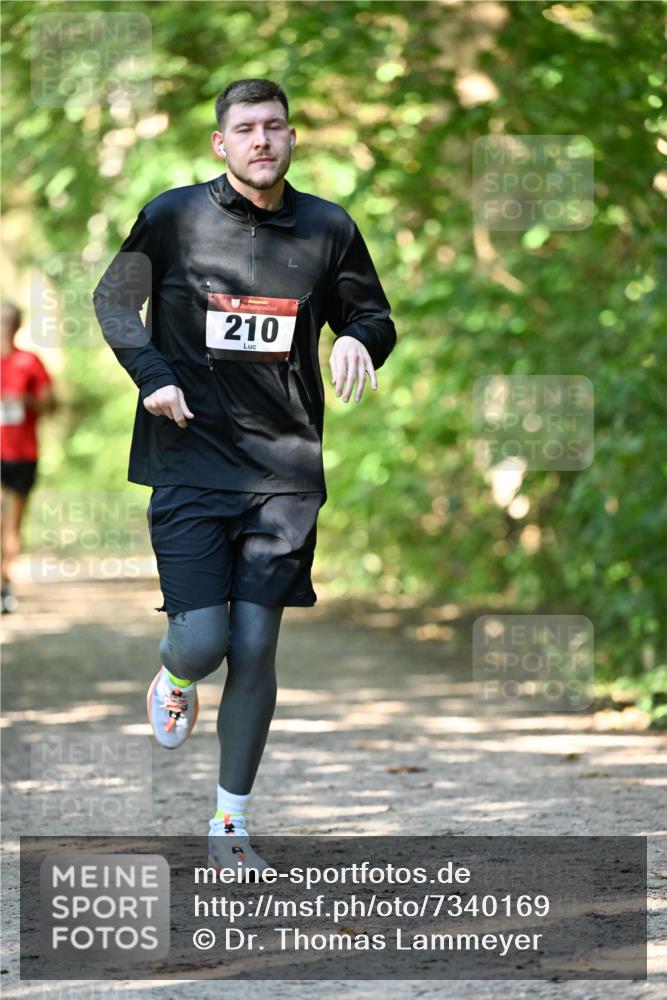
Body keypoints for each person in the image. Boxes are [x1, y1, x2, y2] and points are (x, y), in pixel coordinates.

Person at [93, 78, 396, 873]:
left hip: (285, 469)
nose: (262, 140)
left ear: (293, 139)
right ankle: (173, 675)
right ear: (219, 145)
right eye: (245, 129)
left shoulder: (328, 228)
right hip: (189, 457)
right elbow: (114, 302)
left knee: (257, 648)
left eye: (275, 127)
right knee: (204, 641)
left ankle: (229, 821)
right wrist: (151, 375)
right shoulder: (172, 216)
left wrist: (360, 339)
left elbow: (372, 313)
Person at [1, 301, 57, 614]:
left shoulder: (29, 362)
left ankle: (3, 583)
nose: (4, 328)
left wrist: (26, 400)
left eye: (9, 322)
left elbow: (51, 405)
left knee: (11, 525)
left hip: (21, 454)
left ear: (18, 326)